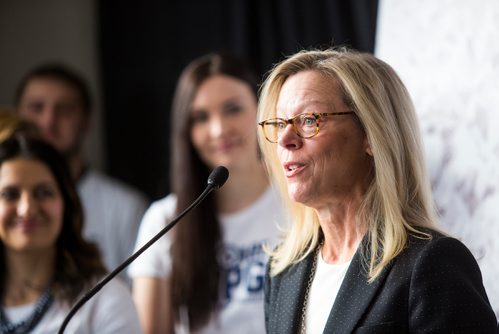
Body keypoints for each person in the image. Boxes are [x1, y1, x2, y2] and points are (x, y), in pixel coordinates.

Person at [257, 48, 498, 333]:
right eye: (278, 123)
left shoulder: (433, 264)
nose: (285, 139)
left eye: (309, 120)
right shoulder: (283, 272)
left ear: (372, 135)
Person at [129, 52, 285, 333]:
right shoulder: (164, 220)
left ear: (262, 110)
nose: (218, 129)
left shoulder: (299, 202)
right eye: (200, 117)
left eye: (233, 109)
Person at [14, 64, 149, 285]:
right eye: (36, 108)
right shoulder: (5, 209)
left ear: (86, 121)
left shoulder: (128, 207)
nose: (48, 122)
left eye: (64, 110)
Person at [0, 135, 141, 333]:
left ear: (67, 203)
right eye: (10, 194)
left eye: (43, 193)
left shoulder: (103, 300)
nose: (27, 209)